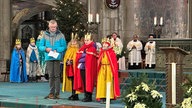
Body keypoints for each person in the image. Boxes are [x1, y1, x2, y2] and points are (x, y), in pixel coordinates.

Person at [39, 20, 67, 99]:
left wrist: (57, 50)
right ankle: (51, 93)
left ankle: (57, 94)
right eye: (52, 27)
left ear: (56, 26)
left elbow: (64, 46)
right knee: (51, 76)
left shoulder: (61, 35)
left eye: (54, 27)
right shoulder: (44, 35)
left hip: (57, 57)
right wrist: (46, 49)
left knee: (57, 76)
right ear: (49, 26)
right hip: (48, 57)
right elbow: (40, 46)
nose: (53, 28)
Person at [74, 33, 97, 102]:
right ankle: (86, 95)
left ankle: (89, 96)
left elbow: (89, 59)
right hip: (82, 67)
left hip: (89, 68)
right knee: (84, 81)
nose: (86, 41)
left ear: (91, 40)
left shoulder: (92, 48)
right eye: (85, 40)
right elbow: (79, 56)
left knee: (88, 82)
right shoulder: (83, 48)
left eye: (88, 40)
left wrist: (82, 58)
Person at [96, 38, 120, 104]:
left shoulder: (111, 52)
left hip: (109, 69)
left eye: (105, 44)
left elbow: (113, 63)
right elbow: (99, 61)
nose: (104, 45)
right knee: (101, 83)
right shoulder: (101, 52)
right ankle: (102, 97)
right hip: (102, 68)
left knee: (109, 82)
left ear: (108, 45)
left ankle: (109, 97)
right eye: (103, 44)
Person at [62, 33, 80, 100]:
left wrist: (72, 61)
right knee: (72, 81)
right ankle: (73, 94)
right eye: (72, 41)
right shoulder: (68, 50)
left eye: (74, 41)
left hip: (75, 68)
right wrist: (67, 61)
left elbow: (77, 58)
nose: (73, 43)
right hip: (70, 69)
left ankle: (76, 94)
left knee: (76, 81)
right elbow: (66, 58)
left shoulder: (78, 50)